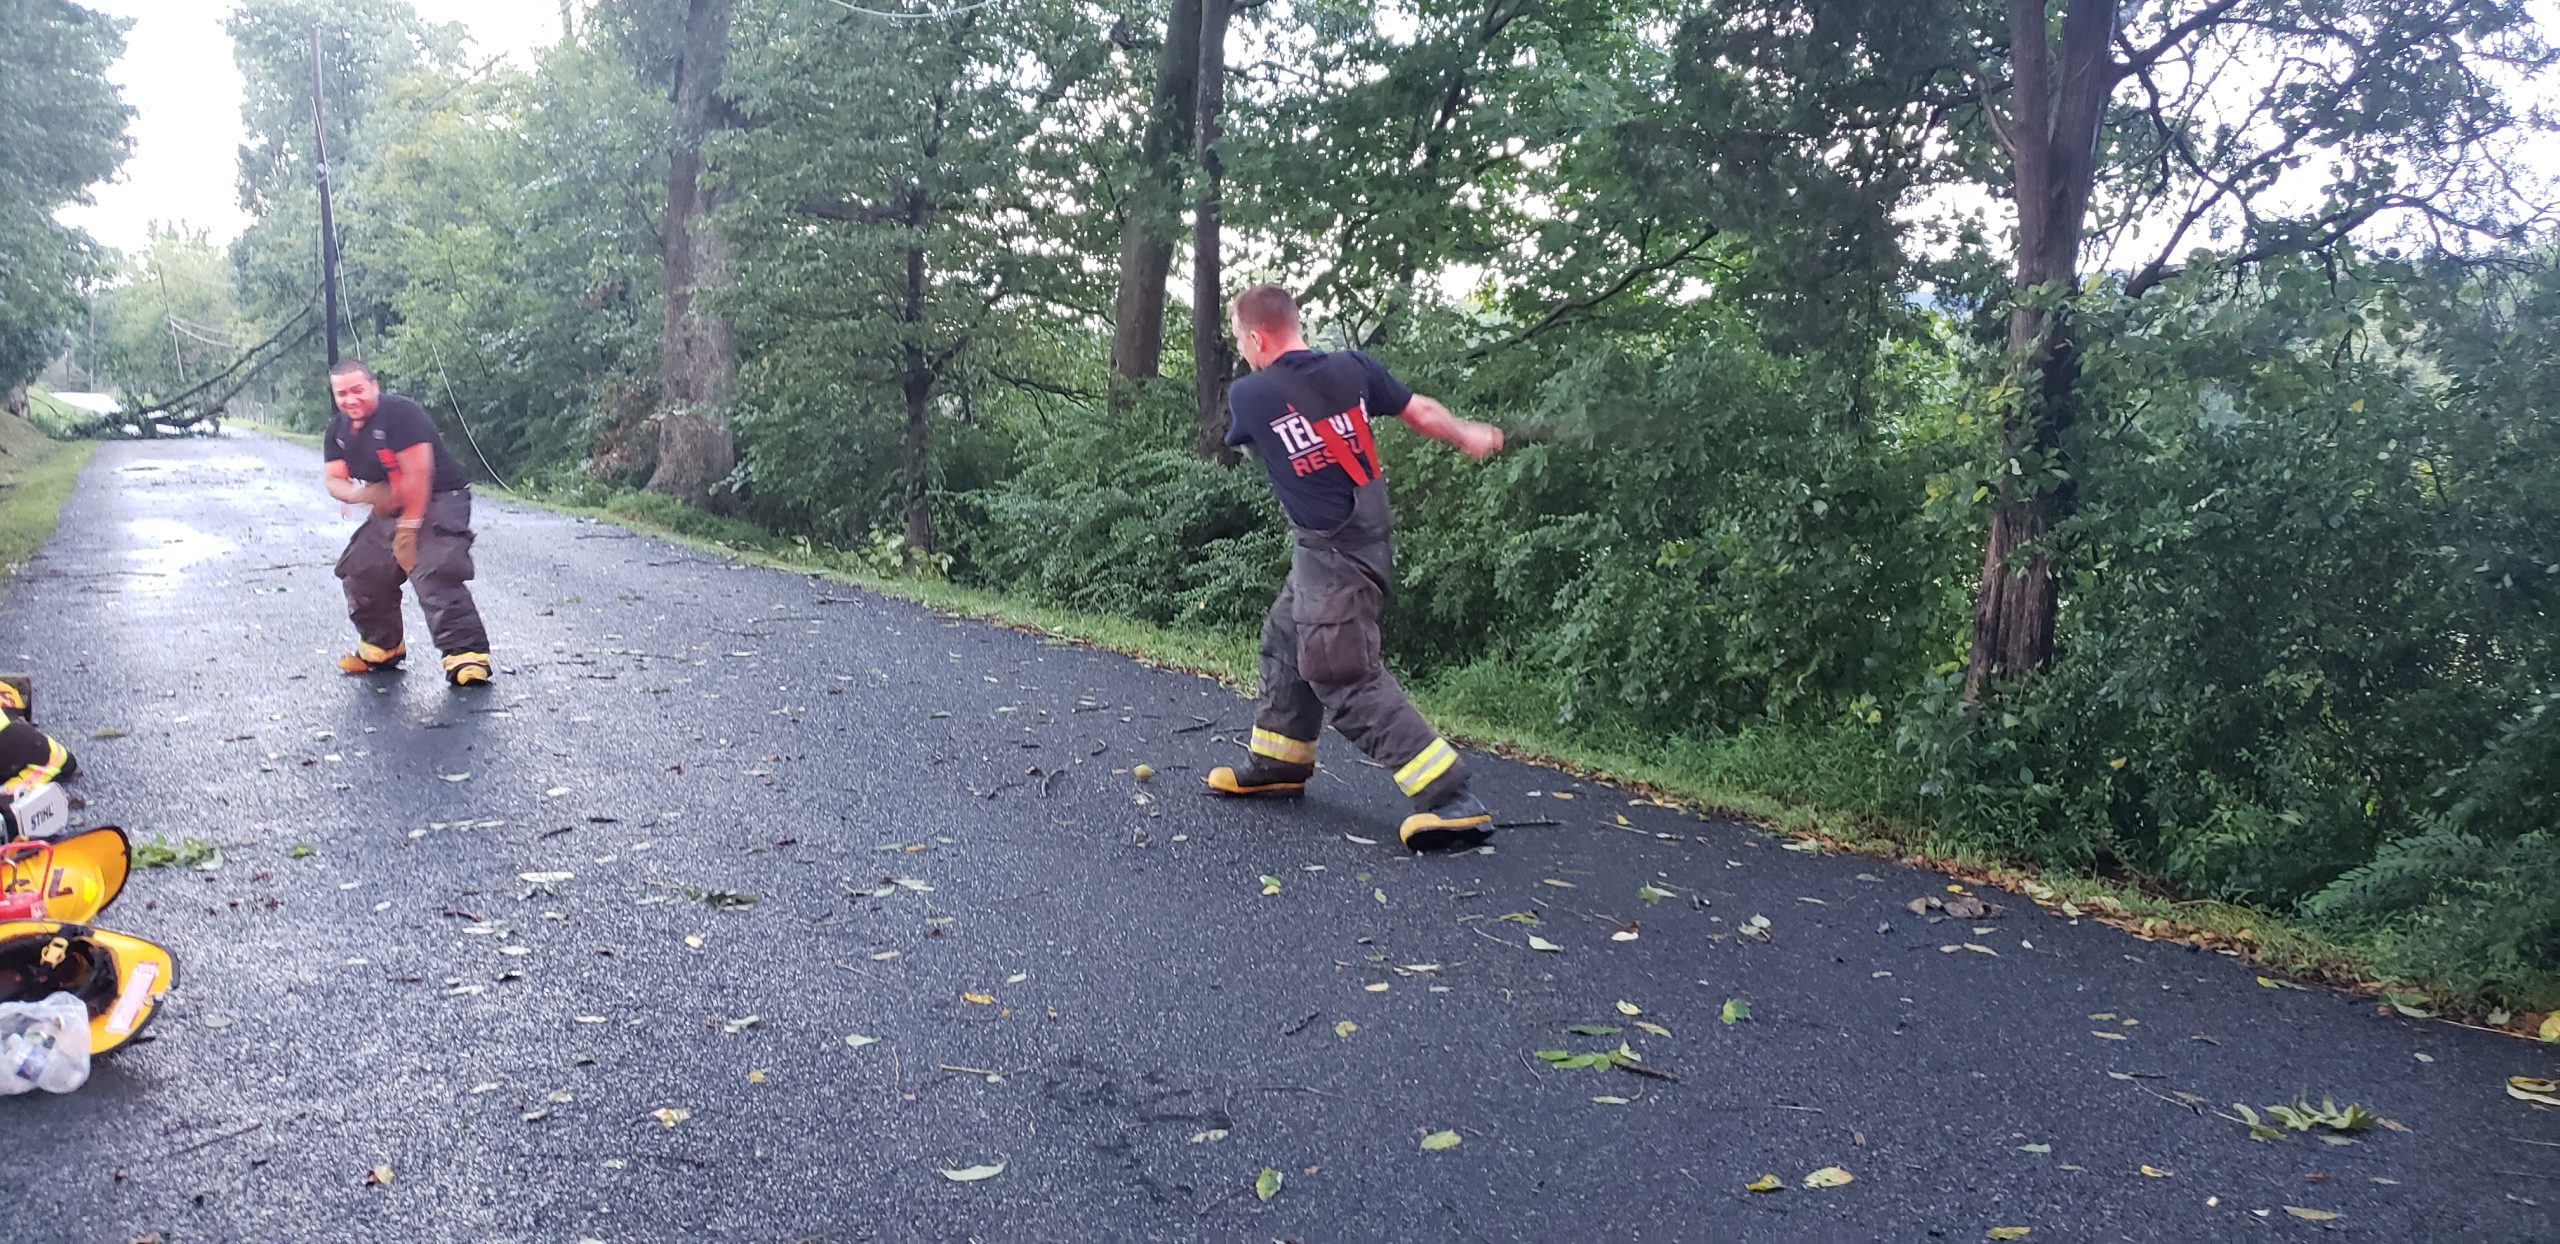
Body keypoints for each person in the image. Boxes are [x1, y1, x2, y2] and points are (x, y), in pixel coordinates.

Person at [1203, 284, 1506, 850]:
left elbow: (1247, 445)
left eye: (1241, 338)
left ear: (1257, 338)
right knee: (1286, 636)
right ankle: (1279, 762)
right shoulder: (1354, 368)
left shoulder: (1251, 394)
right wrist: (1465, 432)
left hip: (1335, 554)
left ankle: (1450, 799)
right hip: (1352, 541)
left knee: (1341, 670)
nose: (1241, 348)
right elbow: (1420, 411)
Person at [320, 360, 492, 686]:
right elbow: (334, 480)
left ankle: (466, 656)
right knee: (362, 571)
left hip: (440, 496)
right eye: (342, 394)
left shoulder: (401, 414)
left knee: (433, 568)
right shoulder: (338, 430)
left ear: (374, 386)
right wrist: (362, 494)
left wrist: (409, 530)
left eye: (358, 390)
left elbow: (418, 476)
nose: (351, 399)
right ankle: (382, 647)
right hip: (391, 503)